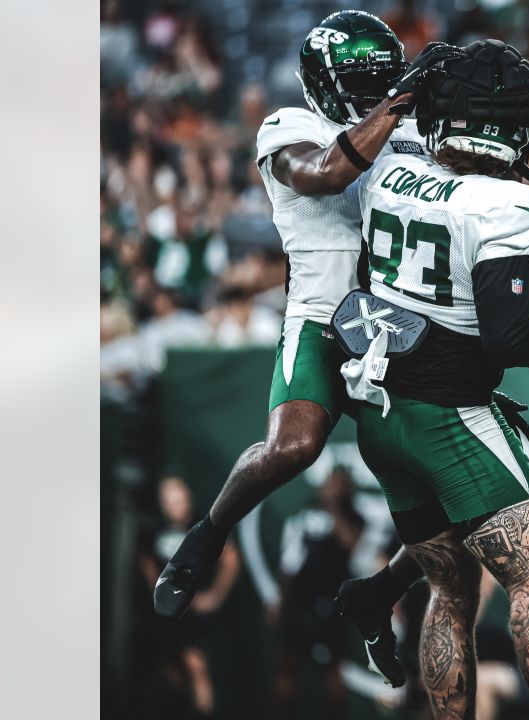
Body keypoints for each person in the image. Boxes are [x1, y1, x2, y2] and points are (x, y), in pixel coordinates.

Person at [153, 10, 459, 686]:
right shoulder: (289, 126)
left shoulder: (411, 132)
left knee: (451, 500)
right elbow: (323, 174)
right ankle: (207, 533)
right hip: (323, 312)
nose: (375, 93)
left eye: (383, 82)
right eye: (366, 84)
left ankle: (379, 594)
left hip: (399, 329)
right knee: (292, 447)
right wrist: (400, 103)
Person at [339, 39, 529, 719]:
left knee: (450, 593)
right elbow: (511, 337)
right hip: (451, 417)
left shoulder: (388, 171)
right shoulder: (505, 204)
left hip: (382, 414)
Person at [138, 477, 240, 719]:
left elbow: (232, 558)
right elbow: (145, 560)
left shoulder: (203, 526)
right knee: (173, 670)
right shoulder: (155, 527)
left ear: (188, 497)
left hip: (195, 612)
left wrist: (215, 595)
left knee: (197, 664)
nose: (174, 504)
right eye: (168, 500)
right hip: (169, 615)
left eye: (178, 498)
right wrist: (158, 591)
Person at [269, 466, 366, 720]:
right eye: (328, 482)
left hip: (328, 603)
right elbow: (292, 556)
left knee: (332, 670)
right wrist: (280, 596)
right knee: (286, 664)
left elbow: (349, 543)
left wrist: (334, 506)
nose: (330, 487)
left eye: (337, 483)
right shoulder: (307, 510)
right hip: (297, 600)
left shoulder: (354, 516)